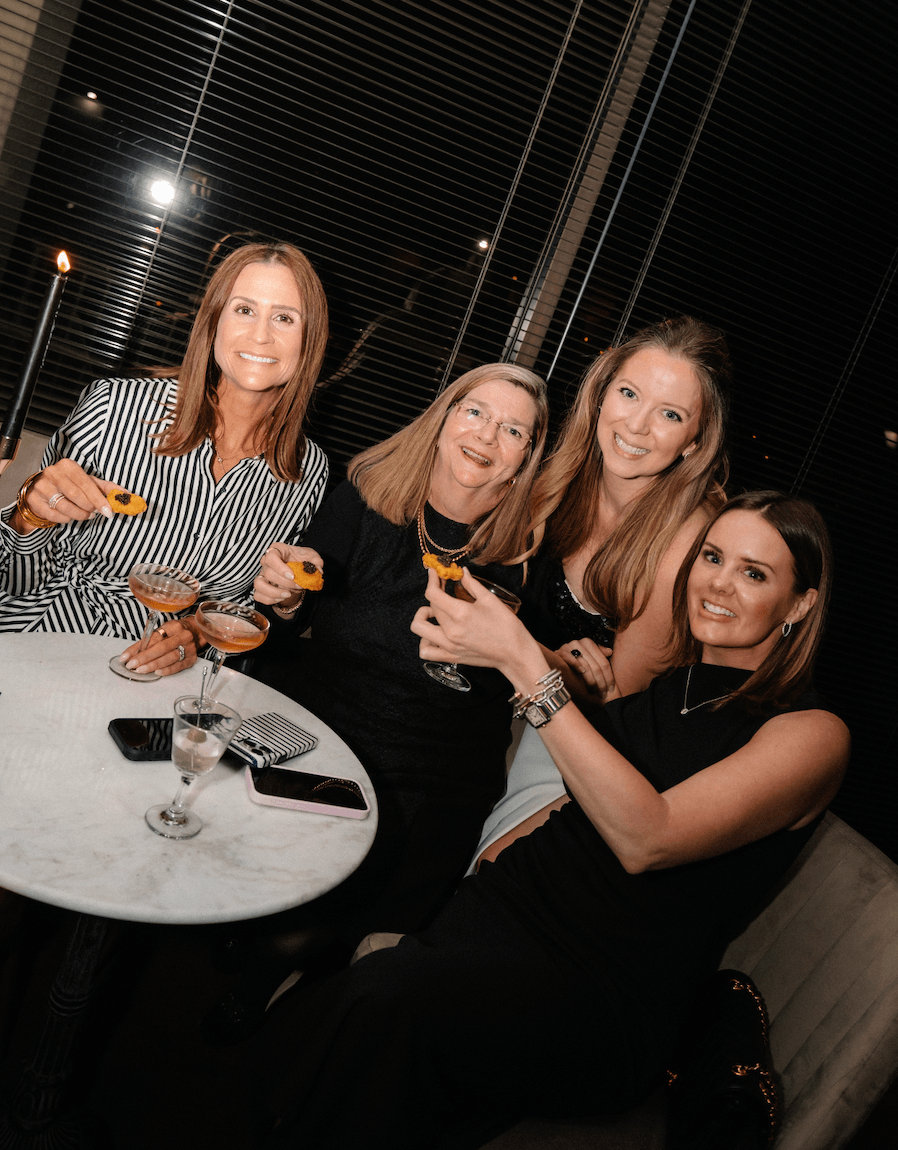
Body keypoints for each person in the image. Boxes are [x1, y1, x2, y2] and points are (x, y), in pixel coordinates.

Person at [252, 491, 849, 1148]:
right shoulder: (673, 688)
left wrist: (525, 666)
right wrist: (492, 866)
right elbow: (577, 800)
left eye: (754, 573)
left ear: (800, 604)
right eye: (712, 557)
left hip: (599, 994)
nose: (719, 583)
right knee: (359, 1004)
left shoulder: (812, 734)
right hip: (506, 918)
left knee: (383, 999)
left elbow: (645, 838)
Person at [203, 363, 548, 1040]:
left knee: (332, 940)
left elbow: (539, 673)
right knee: (274, 921)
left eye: (514, 430)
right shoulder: (364, 496)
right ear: (444, 417)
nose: (487, 436)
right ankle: (259, 954)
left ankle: (284, 990)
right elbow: (287, 614)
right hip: (324, 739)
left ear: (527, 459)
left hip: (435, 779)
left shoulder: (530, 555)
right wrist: (284, 595)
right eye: (475, 412)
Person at [0, 242, 329, 674]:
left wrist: (200, 630)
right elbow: (13, 580)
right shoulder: (114, 407)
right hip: (44, 644)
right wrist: (29, 516)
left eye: (284, 317)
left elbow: (242, 612)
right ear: (214, 322)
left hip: (166, 685)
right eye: (244, 310)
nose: (261, 335)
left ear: (309, 341)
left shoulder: (307, 470)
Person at [475, 315, 730, 866]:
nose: (636, 426)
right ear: (601, 393)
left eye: (669, 415)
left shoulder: (689, 540)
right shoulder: (562, 478)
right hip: (517, 703)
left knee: (490, 871)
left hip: (603, 751)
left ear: (694, 441)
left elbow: (616, 703)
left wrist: (517, 649)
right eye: (628, 393)